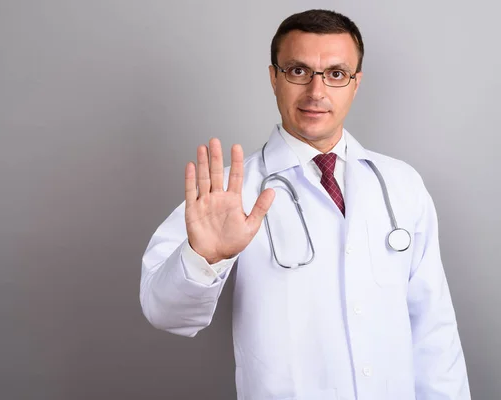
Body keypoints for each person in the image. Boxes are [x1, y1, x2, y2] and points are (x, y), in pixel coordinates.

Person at [139, 9, 470, 399]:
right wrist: (202, 258)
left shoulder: (401, 184)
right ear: (274, 78)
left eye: (335, 74)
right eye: (298, 71)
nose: (316, 92)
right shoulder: (230, 193)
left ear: (355, 83)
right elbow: (165, 312)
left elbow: (434, 331)